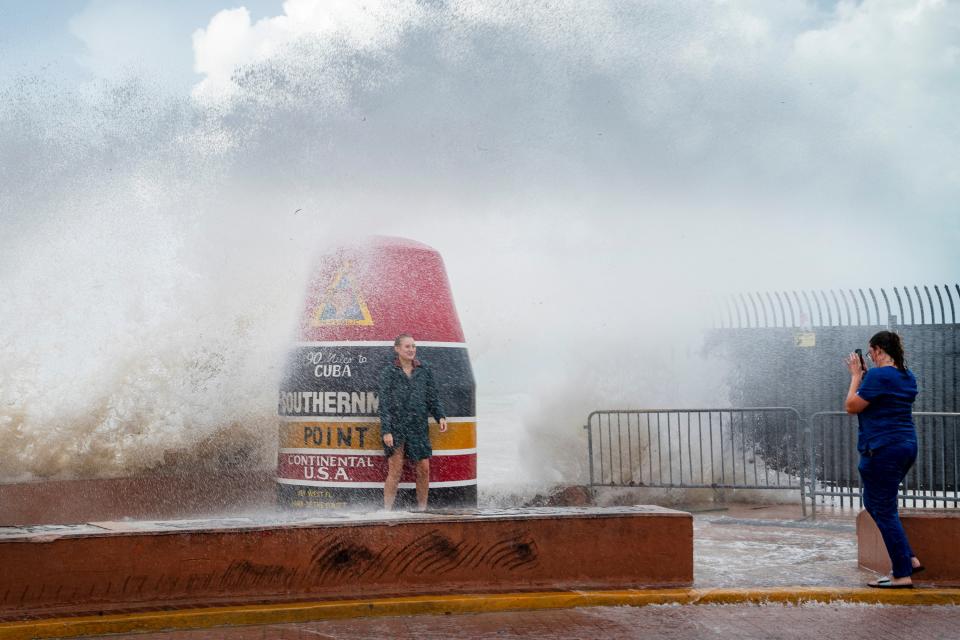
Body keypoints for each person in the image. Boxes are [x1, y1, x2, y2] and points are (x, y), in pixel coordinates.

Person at [844, 330, 923, 588]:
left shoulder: (878, 375)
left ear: (878, 350)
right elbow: (883, 398)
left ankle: (902, 573)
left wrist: (857, 376)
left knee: (884, 508)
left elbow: (852, 405)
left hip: (882, 449)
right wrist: (867, 376)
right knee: (875, 501)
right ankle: (909, 559)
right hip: (906, 446)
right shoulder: (906, 376)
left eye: (870, 352)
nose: (869, 357)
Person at [378, 333, 447, 511]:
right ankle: (386, 511)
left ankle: (422, 509)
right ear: (397, 349)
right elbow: (384, 404)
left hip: (418, 428)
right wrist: (386, 430)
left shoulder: (424, 370)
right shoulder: (388, 372)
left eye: (413, 346)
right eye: (407, 346)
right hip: (396, 427)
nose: (411, 350)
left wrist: (440, 416)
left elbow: (432, 397)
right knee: (396, 470)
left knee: (424, 469)